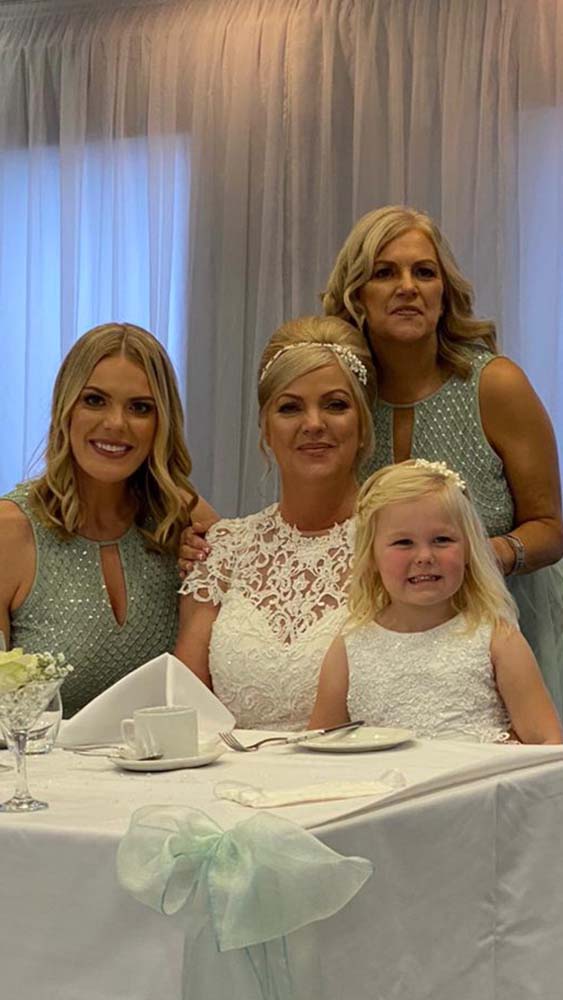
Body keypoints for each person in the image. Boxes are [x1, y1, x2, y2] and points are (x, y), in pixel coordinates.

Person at [321, 205, 563, 715]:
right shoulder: (342, 400)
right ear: (356, 294)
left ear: (443, 292)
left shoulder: (496, 385)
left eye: (424, 272)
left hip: (507, 630)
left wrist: (477, 557)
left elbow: (550, 526)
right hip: (388, 644)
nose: (407, 286)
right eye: (385, 272)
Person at [174, 315, 376, 730]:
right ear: (265, 427)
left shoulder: (400, 546)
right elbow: (185, 703)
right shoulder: (223, 549)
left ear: (363, 423)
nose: (314, 423)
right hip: (233, 784)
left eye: (336, 405)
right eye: (290, 407)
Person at [0, 322, 210, 716]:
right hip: (43, 773)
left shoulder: (182, 517)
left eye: (140, 408)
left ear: (161, 423)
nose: (116, 423)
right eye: (95, 400)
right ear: (65, 409)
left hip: (173, 769)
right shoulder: (10, 531)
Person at [309, 461, 562, 744]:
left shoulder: (496, 638)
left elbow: (547, 743)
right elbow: (320, 745)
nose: (424, 556)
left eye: (442, 540)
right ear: (371, 558)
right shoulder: (350, 646)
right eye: (404, 543)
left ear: (468, 550)